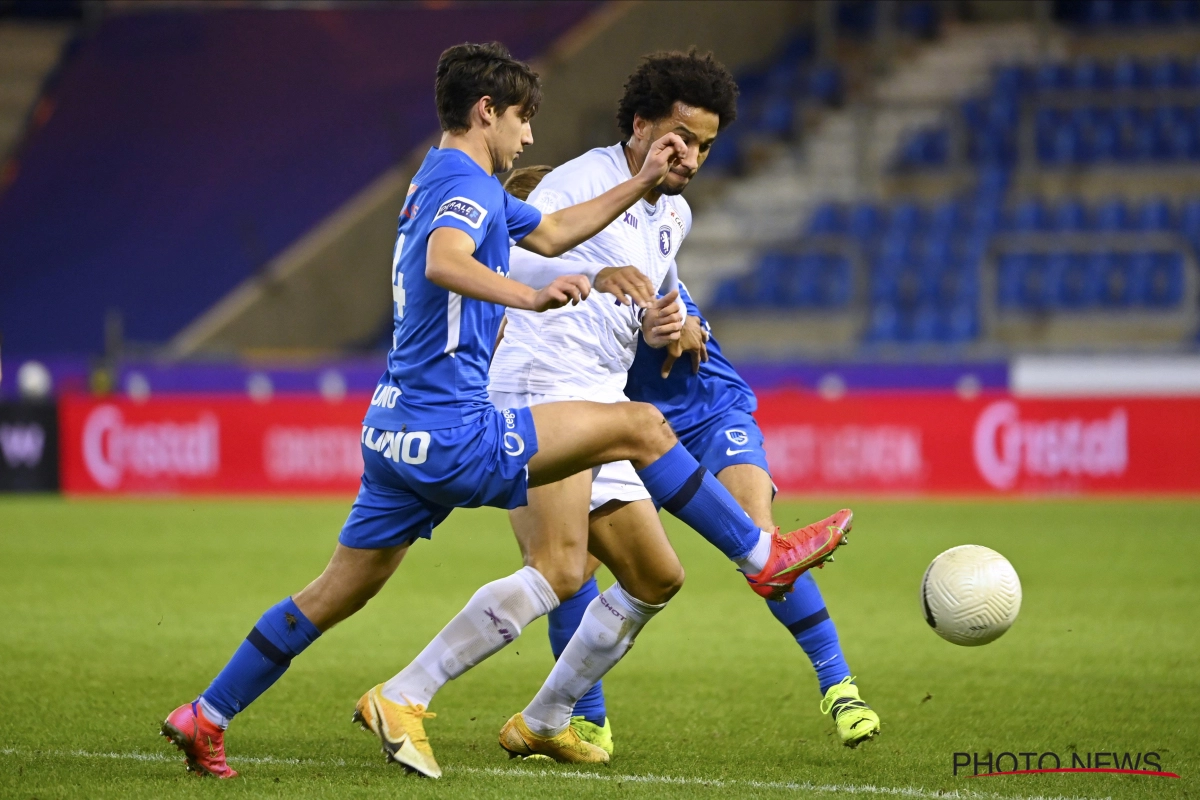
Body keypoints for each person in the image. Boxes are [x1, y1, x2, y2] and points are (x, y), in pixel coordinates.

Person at [160, 42, 845, 780]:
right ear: (486, 111)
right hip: (453, 427)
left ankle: (207, 714)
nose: (527, 139)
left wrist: (639, 183)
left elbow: (548, 234)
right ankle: (758, 556)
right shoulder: (466, 183)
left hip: (395, 425)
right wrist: (533, 294)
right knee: (630, 448)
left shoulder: (438, 177)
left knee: (334, 592)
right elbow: (445, 261)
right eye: (521, 120)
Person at [502, 49, 880, 755]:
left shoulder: (669, 215)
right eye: (683, 139)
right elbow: (525, 265)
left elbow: (668, 303)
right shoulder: (572, 208)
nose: (694, 157)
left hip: (700, 406)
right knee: (574, 569)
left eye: (706, 145)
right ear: (640, 127)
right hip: (620, 414)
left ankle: (840, 686)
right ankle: (579, 717)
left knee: (753, 532)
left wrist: (683, 325)